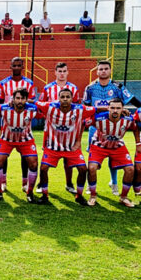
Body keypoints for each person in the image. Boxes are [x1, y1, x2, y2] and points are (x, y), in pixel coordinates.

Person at [83, 60, 141, 195]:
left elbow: (132, 99)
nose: (103, 71)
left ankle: (113, 182)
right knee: (92, 157)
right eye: (100, 69)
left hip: (114, 127)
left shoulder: (117, 87)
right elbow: (85, 106)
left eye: (105, 69)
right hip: (96, 126)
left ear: (110, 71)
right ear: (97, 71)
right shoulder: (90, 88)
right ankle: (89, 184)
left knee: (113, 154)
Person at [36, 89, 96, 206]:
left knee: (83, 169)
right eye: (62, 97)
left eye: (67, 97)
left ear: (72, 98)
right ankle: (44, 195)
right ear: (58, 98)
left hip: (72, 148)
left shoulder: (80, 109)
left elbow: (96, 110)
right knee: (43, 168)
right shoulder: (50, 107)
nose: (65, 99)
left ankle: (79, 195)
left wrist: (115, 108)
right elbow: (33, 103)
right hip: (53, 147)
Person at [87, 98, 138, 207]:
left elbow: (135, 128)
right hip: (99, 145)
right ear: (108, 108)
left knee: (130, 169)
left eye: (118, 108)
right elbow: (82, 124)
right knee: (91, 168)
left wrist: (138, 144)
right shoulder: (98, 118)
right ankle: (93, 195)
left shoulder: (128, 119)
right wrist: (77, 141)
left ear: (122, 109)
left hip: (117, 146)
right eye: (113, 108)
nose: (115, 111)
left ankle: (123, 197)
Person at [39, 62, 80, 193]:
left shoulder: (73, 88)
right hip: (51, 129)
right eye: (60, 71)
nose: (62, 74)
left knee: (68, 156)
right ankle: (42, 184)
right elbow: (41, 105)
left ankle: (69, 184)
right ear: (55, 72)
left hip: (69, 129)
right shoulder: (47, 88)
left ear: (68, 72)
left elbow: (78, 107)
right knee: (47, 155)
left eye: (64, 71)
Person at [0, 88, 39, 203]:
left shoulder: (33, 109)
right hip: (7, 140)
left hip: (25, 140)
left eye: (23, 99)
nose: (20, 101)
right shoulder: (4, 108)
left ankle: (30, 192)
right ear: (12, 99)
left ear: (26, 100)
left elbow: (47, 105)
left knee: (33, 163)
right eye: (17, 98)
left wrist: (32, 102)